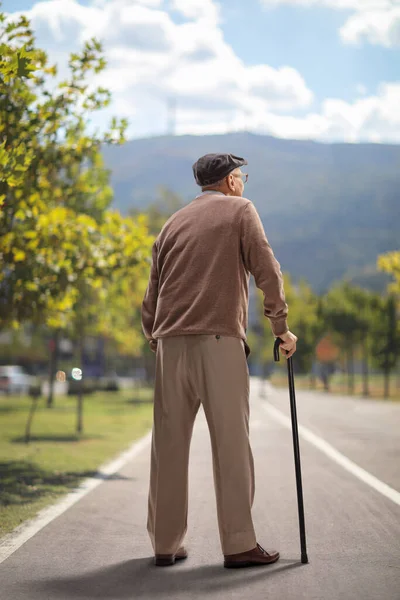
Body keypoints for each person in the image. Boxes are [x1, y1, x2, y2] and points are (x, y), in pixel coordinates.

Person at [141, 152, 298, 568]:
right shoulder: (240, 210)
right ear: (230, 181)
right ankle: (239, 545)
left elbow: (152, 293)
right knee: (230, 445)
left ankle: (165, 544)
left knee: (168, 447)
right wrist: (280, 328)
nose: (243, 183)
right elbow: (267, 269)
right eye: (241, 176)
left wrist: (157, 340)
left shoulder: (172, 222)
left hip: (169, 344)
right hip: (219, 341)